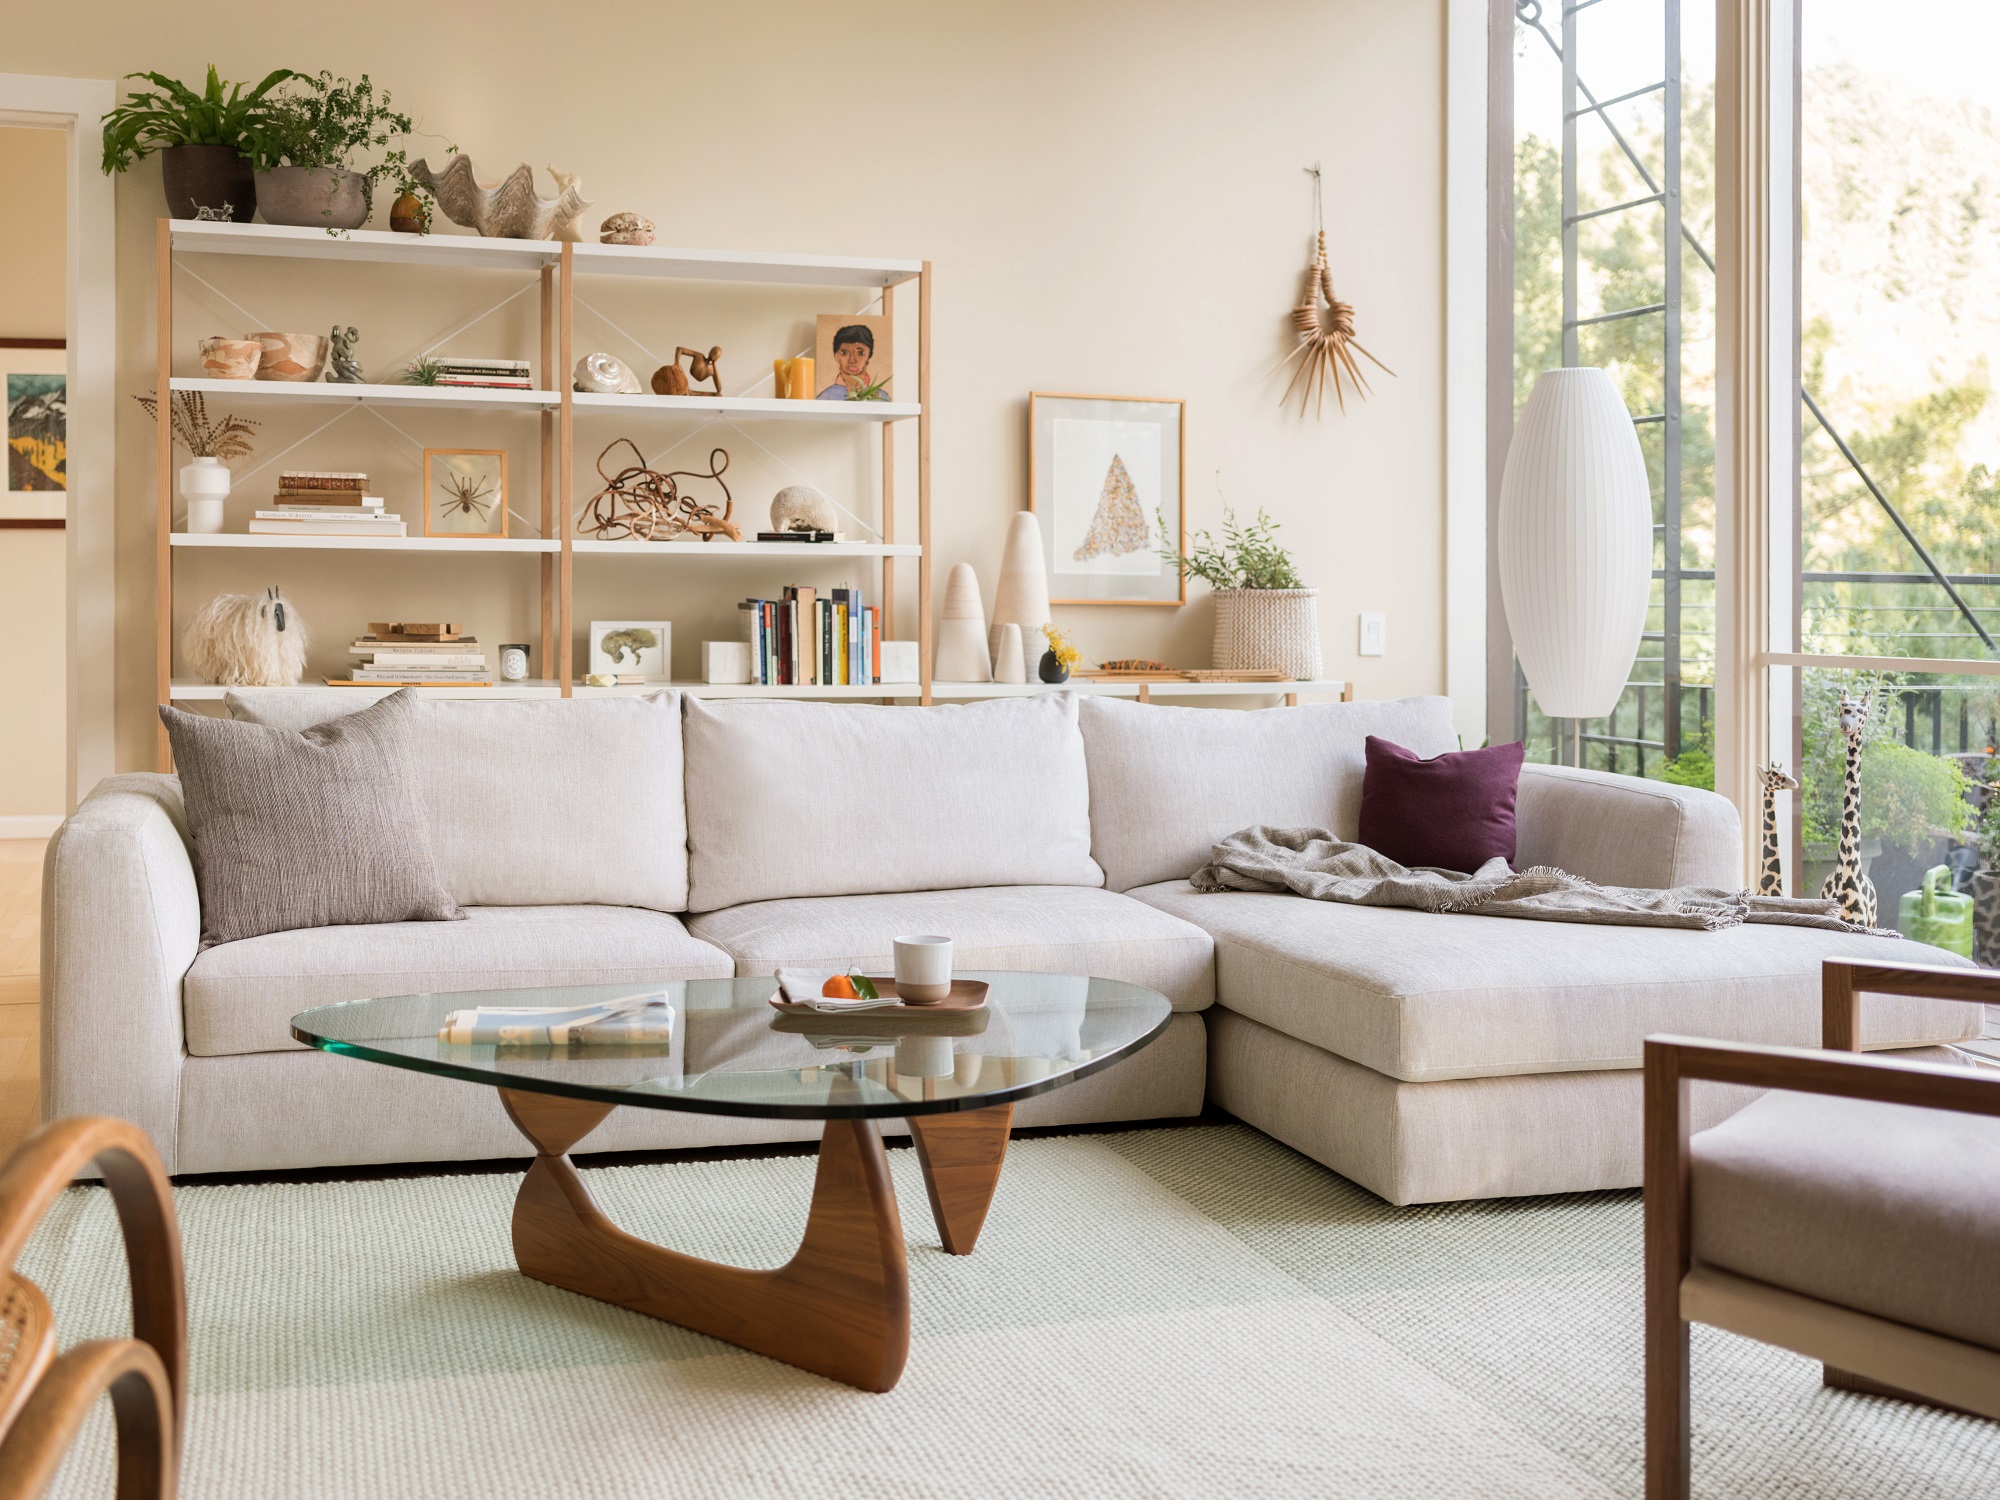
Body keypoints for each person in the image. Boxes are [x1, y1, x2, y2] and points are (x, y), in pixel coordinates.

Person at [817, 323, 878, 399]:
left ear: (869, 355)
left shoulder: (880, 397)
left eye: (860, 353)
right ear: (836, 355)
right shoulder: (825, 396)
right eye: (844, 353)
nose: (852, 360)